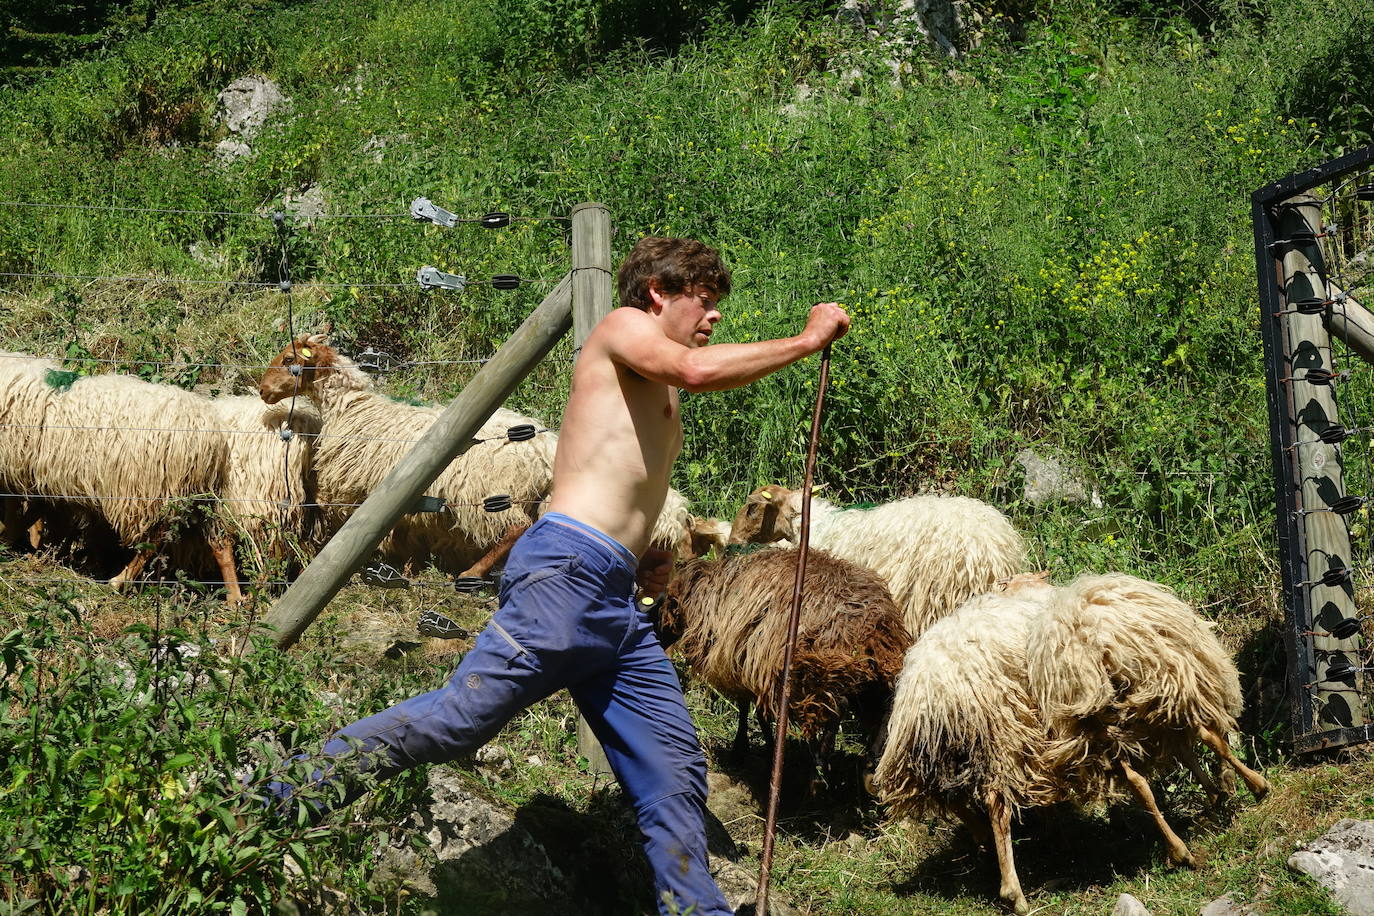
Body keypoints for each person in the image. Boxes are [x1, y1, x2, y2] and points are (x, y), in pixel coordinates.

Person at [261, 236, 849, 915]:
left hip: (612, 597)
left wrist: (640, 554)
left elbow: (625, 468)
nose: (713, 316)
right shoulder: (626, 328)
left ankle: (697, 910)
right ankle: (281, 793)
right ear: (659, 292)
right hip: (567, 574)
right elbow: (696, 371)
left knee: (672, 762)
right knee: (460, 721)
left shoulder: (654, 373)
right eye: (704, 301)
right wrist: (806, 341)